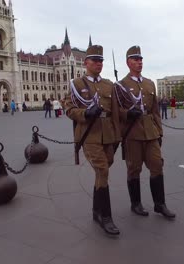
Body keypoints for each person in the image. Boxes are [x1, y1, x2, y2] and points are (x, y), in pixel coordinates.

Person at [62, 45, 121, 235]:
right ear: (86, 62)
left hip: (108, 135)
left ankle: (96, 211)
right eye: (95, 60)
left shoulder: (108, 85)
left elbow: (115, 113)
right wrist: (85, 112)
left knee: (103, 169)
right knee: (102, 170)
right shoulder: (76, 84)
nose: (99, 64)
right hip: (89, 134)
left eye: (101, 61)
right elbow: (69, 109)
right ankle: (106, 217)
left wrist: (118, 135)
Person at [114, 45, 175, 219]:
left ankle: (160, 204)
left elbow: (155, 110)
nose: (139, 62)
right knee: (134, 169)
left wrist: (160, 132)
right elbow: (116, 111)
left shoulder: (149, 83)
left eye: (141, 59)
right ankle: (136, 203)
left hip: (151, 131)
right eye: (135, 59)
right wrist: (127, 113)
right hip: (132, 133)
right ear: (128, 63)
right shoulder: (120, 85)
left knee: (157, 165)